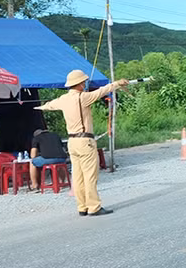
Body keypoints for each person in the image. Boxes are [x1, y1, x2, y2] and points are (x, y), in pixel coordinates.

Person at [35, 70, 128, 217]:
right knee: (90, 176)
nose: (85, 84)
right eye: (83, 82)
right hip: (85, 141)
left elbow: (49, 105)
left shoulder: (63, 99)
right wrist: (117, 83)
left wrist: (38, 107)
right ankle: (94, 207)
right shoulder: (83, 98)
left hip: (72, 142)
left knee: (77, 176)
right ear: (79, 84)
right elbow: (102, 91)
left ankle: (82, 206)